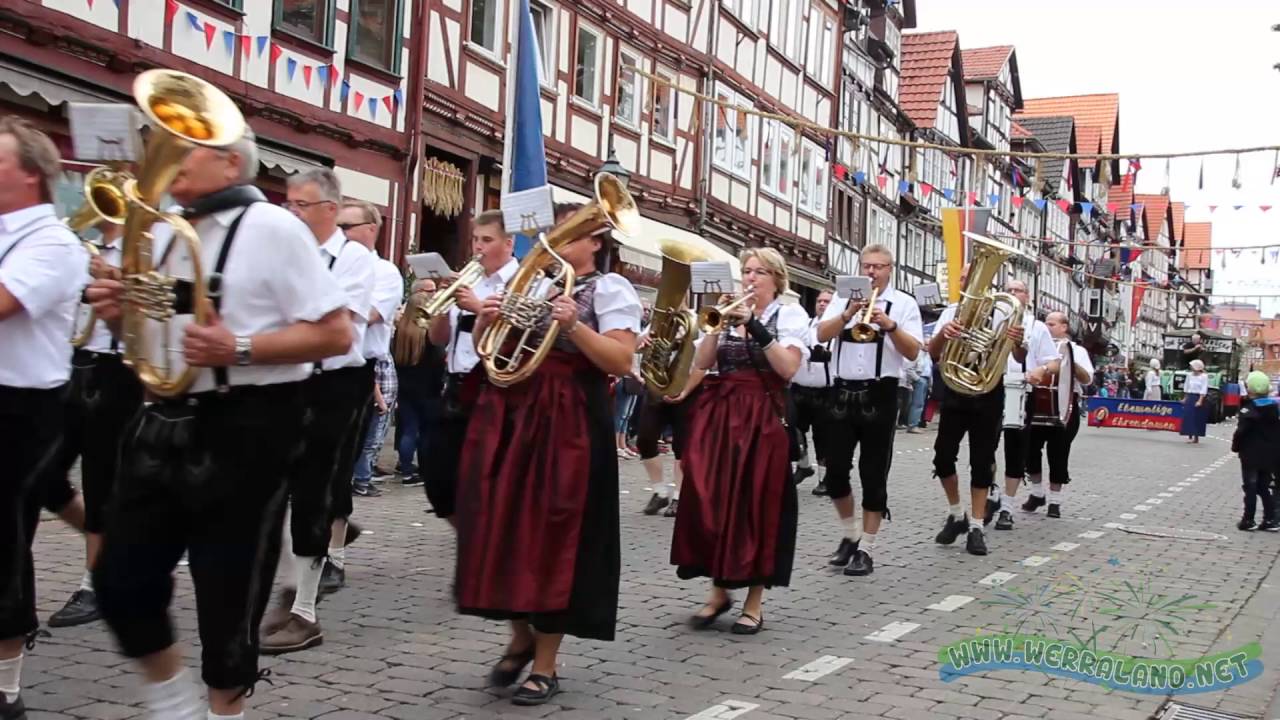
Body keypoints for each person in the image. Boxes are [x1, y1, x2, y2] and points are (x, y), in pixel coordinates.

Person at [87, 128, 353, 718]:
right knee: (119, 579)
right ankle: (173, 702)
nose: (167, 160)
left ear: (231, 163)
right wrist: (117, 315)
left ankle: (221, 709)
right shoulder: (161, 227)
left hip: (250, 425)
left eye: (185, 150)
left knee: (228, 593)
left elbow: (336, 333)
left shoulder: (276, 228)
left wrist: (240, 348)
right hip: (162, 415)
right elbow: (154, 327)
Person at [455, 202, 641, 706]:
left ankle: (546, 663)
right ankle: (519, 634)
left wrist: (574, 325)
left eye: (567, 233)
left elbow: (621, 361)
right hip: (513, 411)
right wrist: (484, 321)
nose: (552, 240)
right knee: (502, 524)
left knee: (556, 533)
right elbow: (489, 350)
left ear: (595, 242)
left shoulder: (609, 289)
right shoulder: (533, 281)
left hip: (570, 419)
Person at [260, 168, 375, 655]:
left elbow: (329, 325)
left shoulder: (355, 262)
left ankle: (305, 610)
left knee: (314, 489)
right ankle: (287, 584)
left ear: (330, 210)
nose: (292, 213)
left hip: (335, 382)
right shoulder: (290, 253)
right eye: (289, 204)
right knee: (271, 486)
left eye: (301, 205)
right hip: (288, 375)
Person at [0, 116, 87, 720]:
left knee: (4, 543)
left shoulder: (53, 241)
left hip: (20, 408)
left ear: (29, 173)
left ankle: (6, 688)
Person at [673, 247, 807, 634]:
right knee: (711, 499)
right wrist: (715, 326)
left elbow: (788, 368)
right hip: (722, 417)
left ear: (776, 280)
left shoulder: (789, 315)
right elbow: (702, 363)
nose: (750, 278)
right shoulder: (728, 313)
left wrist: (757, 327)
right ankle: (718, 591)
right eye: (746, 271)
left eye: (759, 272)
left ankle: (753, 602)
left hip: (762, 419)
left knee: (755, 507)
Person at [42, 219, 144, 629]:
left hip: (121, 369)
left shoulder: (148, 246)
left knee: (103, 479)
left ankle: (96, 582)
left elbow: (162, 310)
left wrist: (117, 281)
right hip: (71, 363)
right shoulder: (74, 244)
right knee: (44, 475)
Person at [813, 244, 922, 576]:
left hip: (881, 392)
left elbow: (914, 352)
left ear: (891, 268)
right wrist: (847, 314)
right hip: (842, 390)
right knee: (834, 474)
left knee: (873, 475)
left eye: (878, 266)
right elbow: (820, 334)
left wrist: (888, 324)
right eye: (867, 266)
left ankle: (867, 549)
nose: (872, 272)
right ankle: (849, 534)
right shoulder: (844, 295)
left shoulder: (904, 303)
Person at [927, 266, 1028, 556]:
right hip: (957, 388)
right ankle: (956, 512)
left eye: (973, 277)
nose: (968, 283)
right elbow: (933, 352)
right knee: (943, 456)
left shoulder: (1003, 311)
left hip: (988, 389)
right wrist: (945, 335)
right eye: (964, 279)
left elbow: (1020, 355)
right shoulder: (951, 311)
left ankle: (977, 525)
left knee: (982, 462)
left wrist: (1017, 339)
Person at [426, 209, 517, 526]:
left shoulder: (523, 282)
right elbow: (438, 338)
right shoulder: (469, 280)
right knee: (438, 478)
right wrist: (442, 305)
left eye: (487, 240)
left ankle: (483, 549)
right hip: (454, 386)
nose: (479, 247)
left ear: (509, 243)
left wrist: (476, 307)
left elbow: (516, 334)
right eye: (476, 240)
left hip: (493, 390)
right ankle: (474, 539)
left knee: (485, 481)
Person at [341, 200, 404, 500]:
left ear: (370, 230)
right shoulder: (331, 262)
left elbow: (368, 315)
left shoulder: (384, 271)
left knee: (349, 451)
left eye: (346, 227)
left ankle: (335, 537)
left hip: (360, 367)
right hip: (321, 363)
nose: (339, 233)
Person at [993, 280, 1058, 533]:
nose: (1012, 294)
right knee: (985, 447)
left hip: (1021, 388)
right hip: (991, 386)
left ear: (1027, 297)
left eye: (1017, 290)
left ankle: (1007, 507)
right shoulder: (993, 319)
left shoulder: (1037, 326)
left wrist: (1040, 370)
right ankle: (991, 493)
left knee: (1015, 448)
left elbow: (1054, 362)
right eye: (1008, 290)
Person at [1022, 312, 1094, 519]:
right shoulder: (1036, 345)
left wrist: (1069, 361)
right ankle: (1037, 493)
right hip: (1036, 403)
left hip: (1065, 406)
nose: (1047, 326)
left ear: (1064, 327)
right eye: (1046, 323)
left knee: (1059, 453)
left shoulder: (1076, 350)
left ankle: (1055, 500)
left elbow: (1087, 379)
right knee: (1030, 450)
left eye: (1052, 324)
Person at [392, 279, 445, 487]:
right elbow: (438, 362)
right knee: (425, 432)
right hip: (428, 389)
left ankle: (406, 471)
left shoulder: (400, 333)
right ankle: (423, 469)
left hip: (405, 388)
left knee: (408, 430)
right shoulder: (428, 336)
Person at [793, 289, 834, 492]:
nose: (822, 304)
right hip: (800, 387)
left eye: (827, 301)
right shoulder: (805, 325)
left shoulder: (836, 329)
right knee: (794, 430)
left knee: (823, 436)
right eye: (820, 301)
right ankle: (803, 465)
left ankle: (824, 478)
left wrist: (828, 355)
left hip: (824, 390)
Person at [1232, 371, 1280, 531]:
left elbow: (1241, 432)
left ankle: (1248, 519)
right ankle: (1271, 519)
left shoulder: (1249, 410)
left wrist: (1235, 446)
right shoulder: (1275, 408)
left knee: (1250, 487)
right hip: (1270, 455)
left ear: (1250, 389)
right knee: (1264, 487)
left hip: (1250, 455)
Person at [1181, 359, 1210, 444]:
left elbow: (1203, 388)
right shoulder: (1189, 375)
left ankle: (1196, 436)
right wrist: (1185, 398)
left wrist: (1200, 401)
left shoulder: (1204, 376)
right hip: (1190, 396)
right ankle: (1189, 434)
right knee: (1188, 416)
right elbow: (1186, 387)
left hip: (1198, 397)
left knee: (1196, 418)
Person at [906, 350, 931, 433]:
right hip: (920, 379)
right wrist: (918, 379)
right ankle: (912, 425)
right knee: (917, 404)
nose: (927, 346)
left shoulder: (928, 356)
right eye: (926, 344)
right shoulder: (917, 354)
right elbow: (909, 369)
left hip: (927, 380)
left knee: (921, 404)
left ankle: (916, 423)